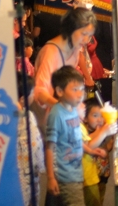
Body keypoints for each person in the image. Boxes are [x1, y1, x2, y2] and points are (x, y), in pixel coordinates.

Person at [32, 7, 97, 129]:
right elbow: (39, 91)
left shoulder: (75, 49)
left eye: (89, 36)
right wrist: (64, 108)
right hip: (45, 122)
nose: (86, 40)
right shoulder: (50, 52)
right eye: (83, 34)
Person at [45, 66, 87, 206]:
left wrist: (91, 150)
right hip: (65, 176)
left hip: (76, 172)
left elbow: (75, 140)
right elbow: (49, 148)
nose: (80, 94)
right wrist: (51, 177)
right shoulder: (57, 114)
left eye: (82, 89)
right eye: (75, 89)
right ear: (59, 91)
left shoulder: (73, 109)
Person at [16, 72, 46, 206]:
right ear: (22, 99)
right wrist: (42, 166)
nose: (34, 95)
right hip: (25, 171)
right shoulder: (27, 117)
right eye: (32, 93)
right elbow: (36, 144)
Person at [80, 99, 116, 206]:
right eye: (95, 116)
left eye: (102, 116)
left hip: (101, 175)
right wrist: (103, 132)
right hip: (88, 178)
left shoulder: (100, 129)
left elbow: (105, 148)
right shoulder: (83, 130)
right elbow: (89, 144)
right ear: (85, 118)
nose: (99, 119)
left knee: (99, 200)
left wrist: (112, 141)